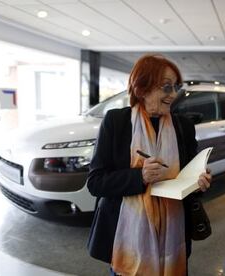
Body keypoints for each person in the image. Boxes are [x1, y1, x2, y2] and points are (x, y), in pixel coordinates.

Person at [86, 54, 212, 276]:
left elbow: (189, 177)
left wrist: (199, 181)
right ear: (142, 89)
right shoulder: (116, 122)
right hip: (127, 241)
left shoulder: (183, 127)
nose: (173, 94)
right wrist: (140, 177)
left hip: (174, 239)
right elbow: (95, 183)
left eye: (175, 87)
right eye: (166, 87)